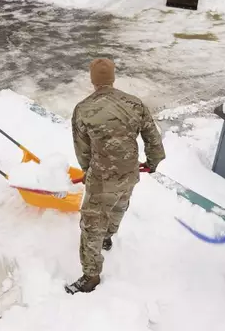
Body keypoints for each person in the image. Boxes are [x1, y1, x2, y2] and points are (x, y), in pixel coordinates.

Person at [65, 58, 166, 294]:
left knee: (91, 225)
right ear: (112, 77)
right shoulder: (134, 104)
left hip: (102, 179)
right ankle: (108, 237)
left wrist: (89, 170)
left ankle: (91, 276)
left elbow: (82, 149)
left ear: (93, 80)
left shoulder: (83, 109)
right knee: (119, 206)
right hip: (129, 173)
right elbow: (153, 138)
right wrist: (152, 162)